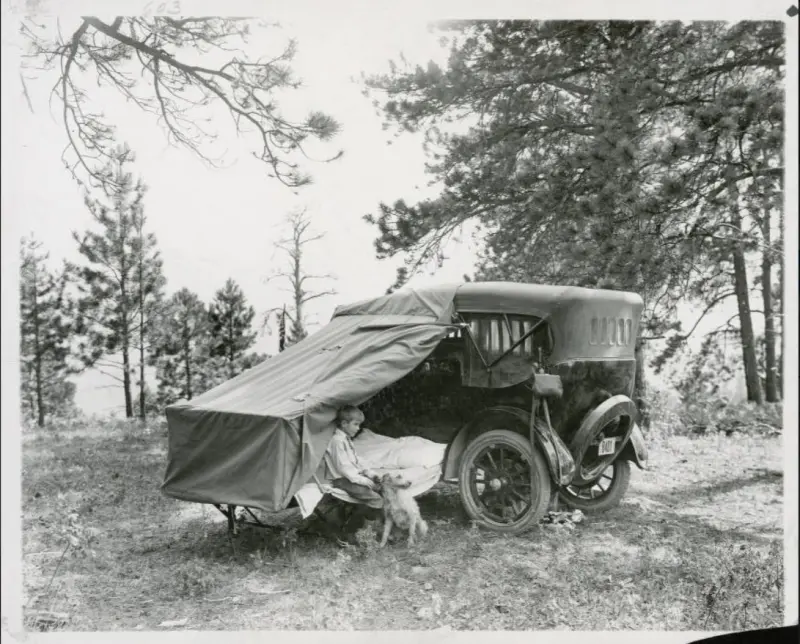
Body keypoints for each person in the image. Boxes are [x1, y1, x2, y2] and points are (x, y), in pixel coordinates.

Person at [320, 405, 383, 539]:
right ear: (344, 424)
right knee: (376, 500)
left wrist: (369, 473)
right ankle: (354, 531)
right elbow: (344, 468)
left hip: (350, 478)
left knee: (380, 488)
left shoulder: (346, 439)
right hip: (341, 480)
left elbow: (355, 461)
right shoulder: (337, 441)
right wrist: (363, 481)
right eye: (355, 424)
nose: (358, 428)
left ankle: (362, 526)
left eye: (359, 425)